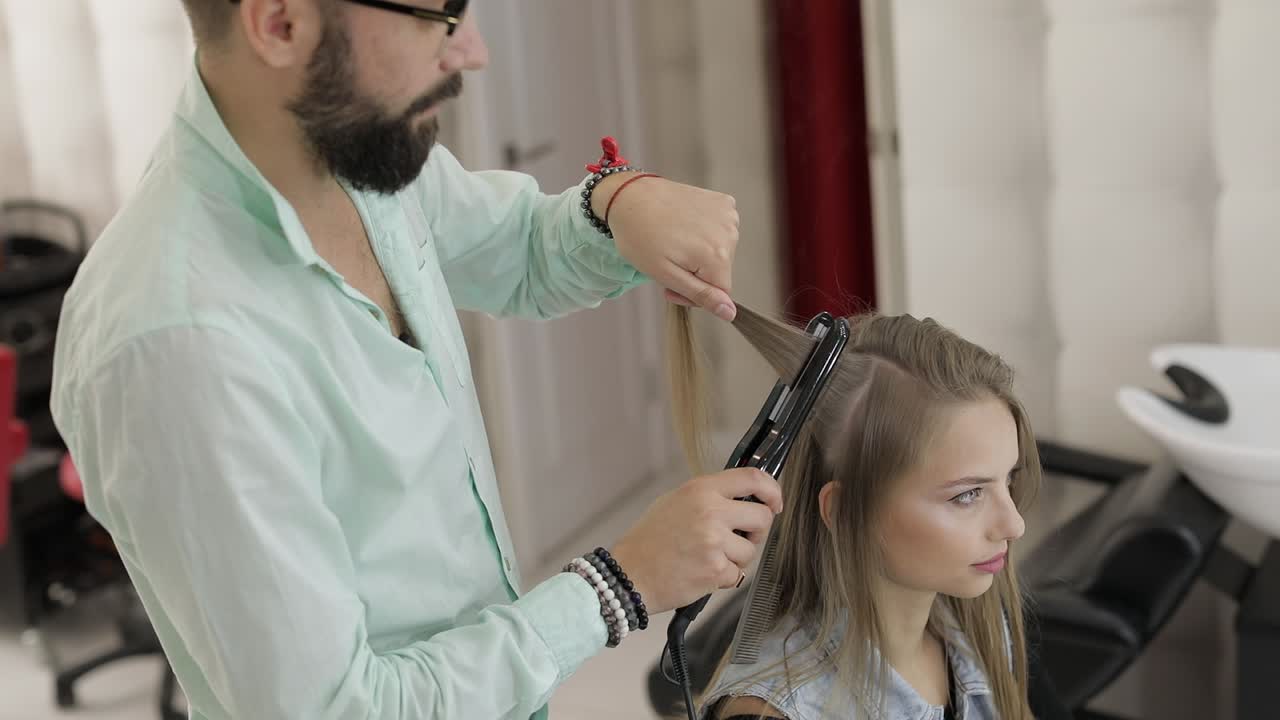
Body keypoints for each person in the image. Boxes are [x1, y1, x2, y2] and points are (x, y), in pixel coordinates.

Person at [49, 1, 783, 718]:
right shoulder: (176, 347)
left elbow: (522, 246)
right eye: (441, 12)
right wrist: (620, 586)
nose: (473, 50)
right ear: (280, 24)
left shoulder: (354, 154)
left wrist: (621, 203)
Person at [663, 306, 1043, 720]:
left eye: (1008, 480)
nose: (1014, 524)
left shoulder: (975, 626)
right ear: (844, 512)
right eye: (968, 495)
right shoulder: (777, 712)